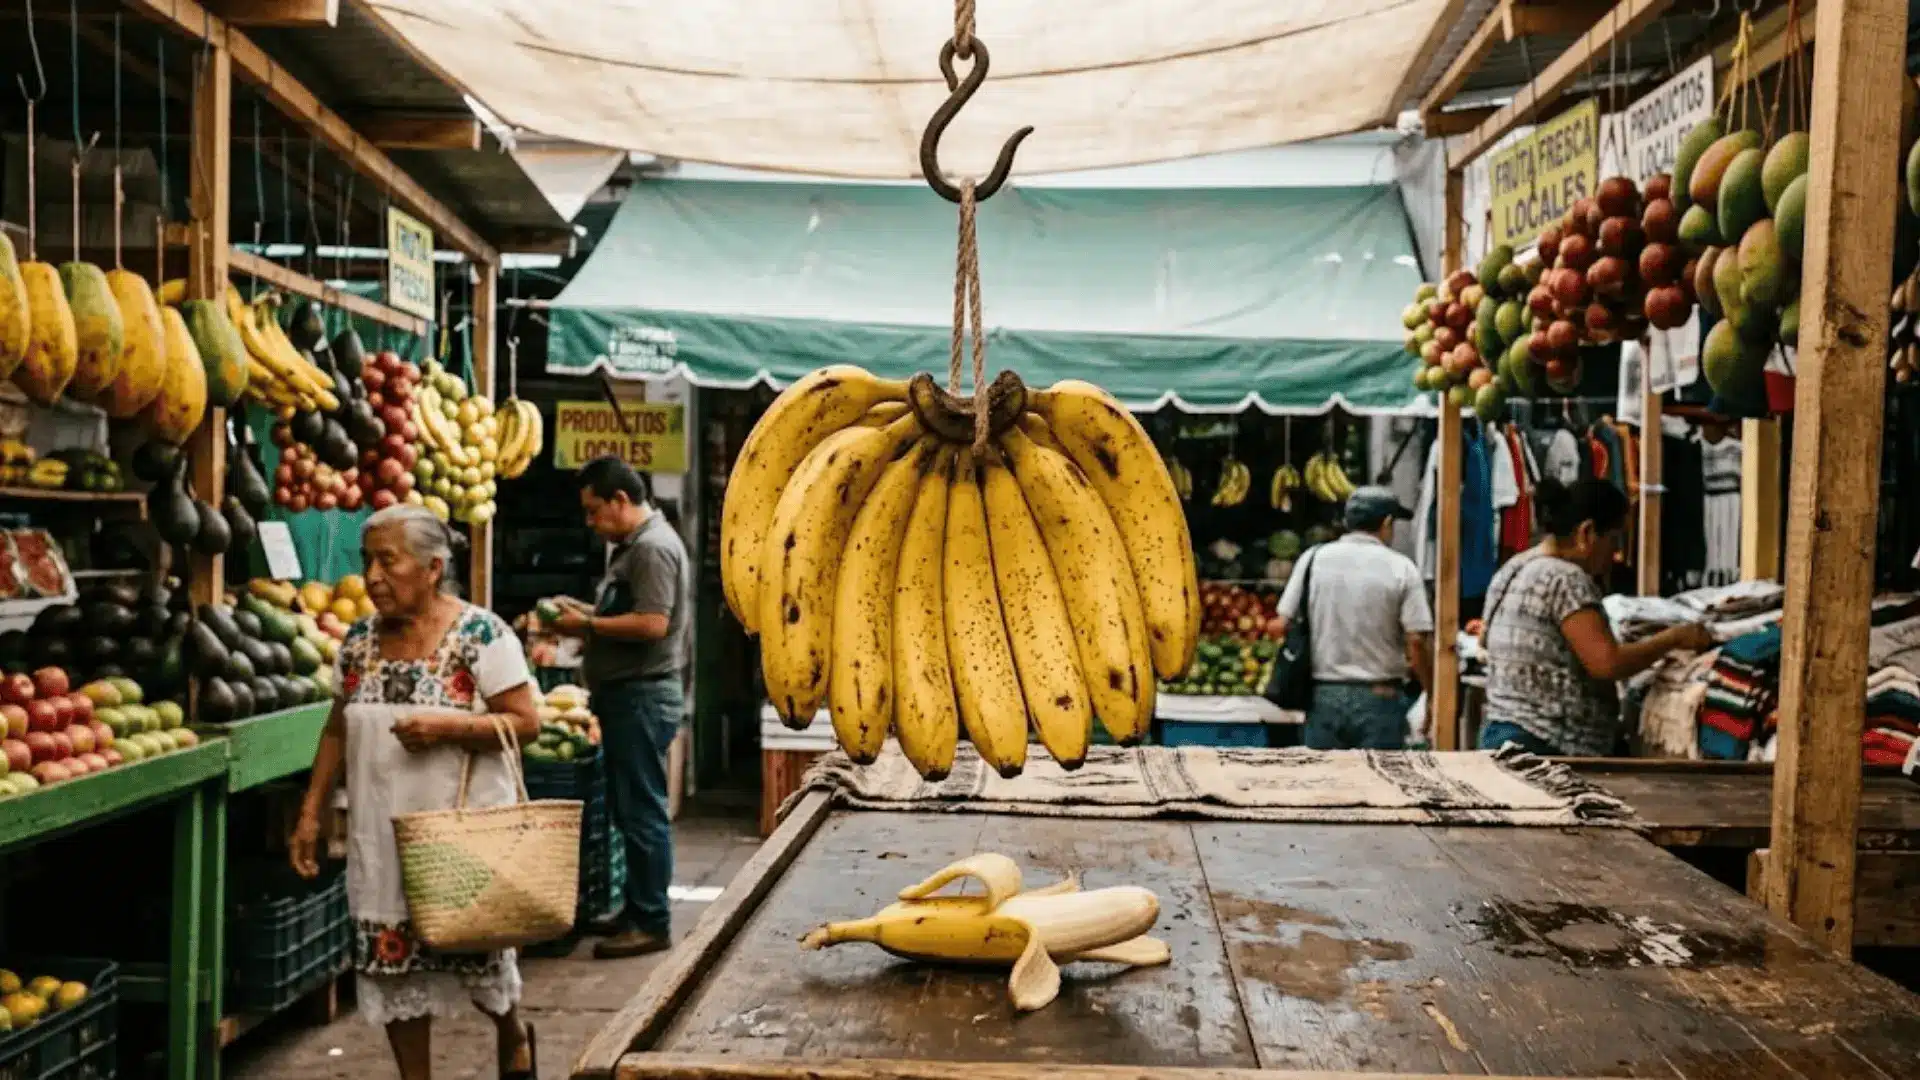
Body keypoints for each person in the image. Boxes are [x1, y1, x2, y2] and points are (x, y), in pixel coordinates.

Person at [290, 505, 542, 1080]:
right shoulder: (357, 643)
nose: (373, 576)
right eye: (367, 561)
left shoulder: (482, 634)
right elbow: (336, 727)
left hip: (461, 833)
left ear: (432, 568)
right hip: (380, 835)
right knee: (390, 965)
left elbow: (526, 723)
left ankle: (512, 1031)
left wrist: (447, 728)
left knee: (482, 957)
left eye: (388, 560)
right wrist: (311, 812)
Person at [541, 457, 691, 960]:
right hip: (628, 696)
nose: (590, 523)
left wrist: (583, 628)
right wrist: (582, 611)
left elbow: (651, 623)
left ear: (620, 501)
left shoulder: (652, 549)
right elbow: (624, 615)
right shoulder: (635, 547)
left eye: (593, 511)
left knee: (644, 811)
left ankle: (652, 922)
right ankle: (636, 908)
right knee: (630, 809)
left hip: (643, 697)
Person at [1478, 477, 1714, 756]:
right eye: (1613, 540)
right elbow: (1607, 663)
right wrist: (1674, 638)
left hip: (1503, 733)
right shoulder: (1566, 579)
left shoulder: (1513, 568)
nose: (1615, 554)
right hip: (1547, 744)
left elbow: (1484, 639)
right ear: (1586, 532)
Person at [1274, 486, 1433, 750]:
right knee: (1378, 784)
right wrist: (1430, 692)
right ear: (1387, 523)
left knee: (1325, 784)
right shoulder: (1401, 567)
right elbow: (1416, 639)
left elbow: (1283, 622)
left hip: (1323, 697)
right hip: (1381, 698)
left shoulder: (1313, 559)